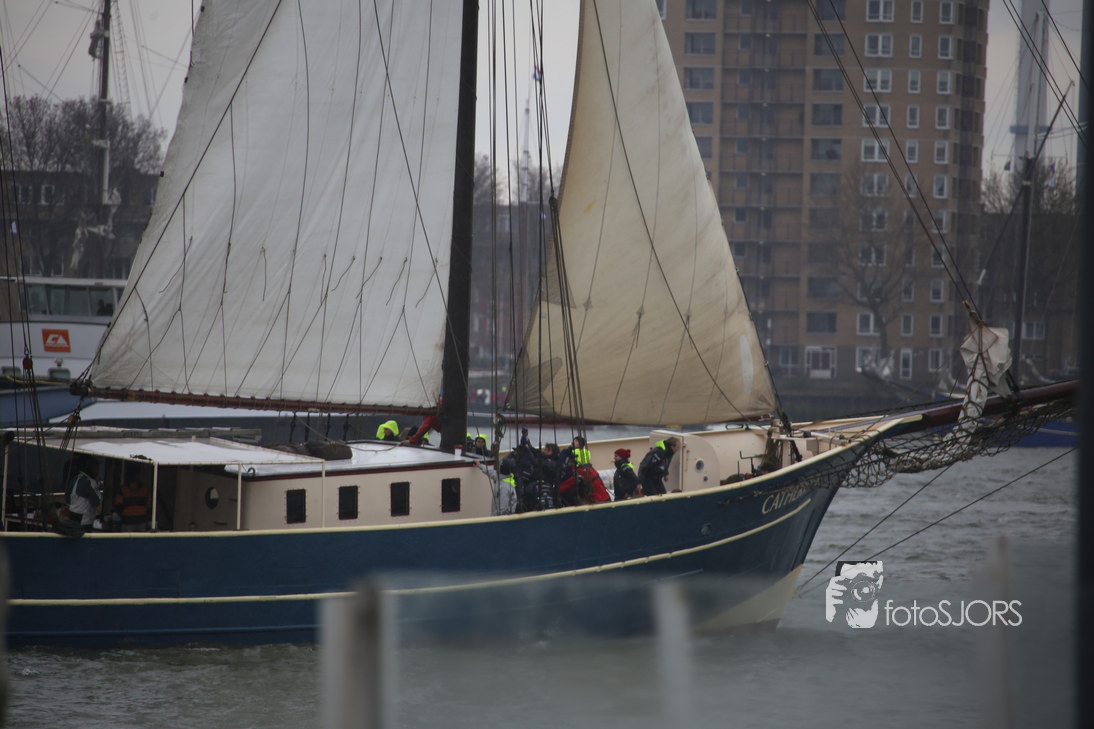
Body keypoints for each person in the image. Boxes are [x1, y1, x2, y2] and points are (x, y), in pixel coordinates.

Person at [66, 457, 102, 531]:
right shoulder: (90, 482)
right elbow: (97, 501)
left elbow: (67, 498)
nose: (98, 471)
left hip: (72, 514)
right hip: (85, 519)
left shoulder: (75, 478)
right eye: (96, 468)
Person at [115, 464, 151, 532]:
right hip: (140, 522)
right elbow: (149, 506)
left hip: (129, 522)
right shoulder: (145, 489)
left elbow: (118, 507)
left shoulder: (123, 489)